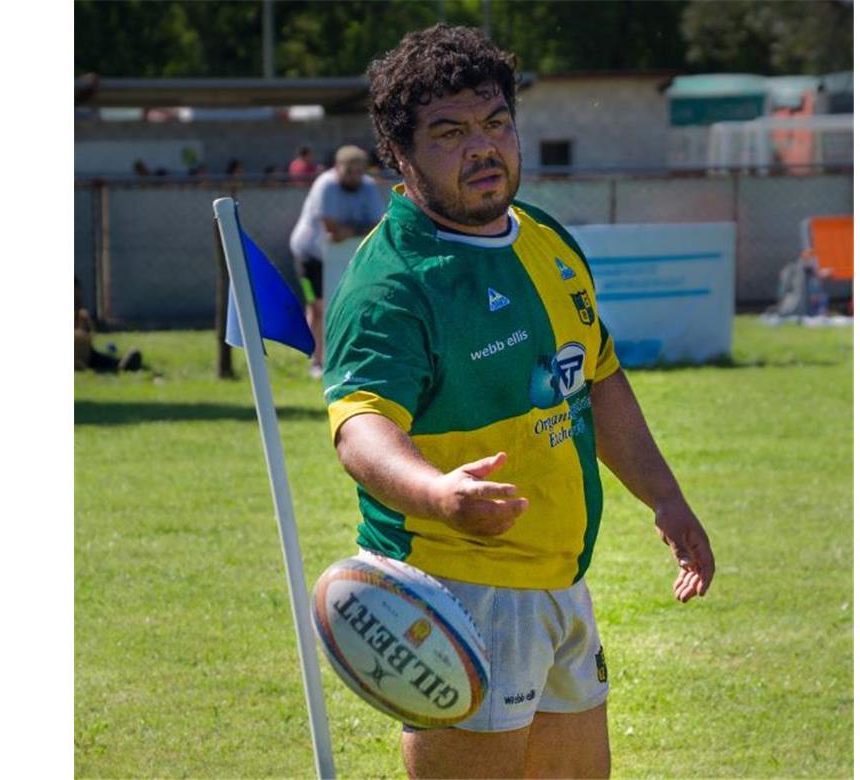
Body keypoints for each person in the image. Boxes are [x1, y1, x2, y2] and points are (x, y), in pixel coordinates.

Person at [321, 24, 715, 779]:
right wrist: (436, 493)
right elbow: (360, 427)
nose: (483, 147)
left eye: (495, 122)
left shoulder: (543, 238)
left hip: (560, 578)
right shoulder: (394, 283)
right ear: (399, 155)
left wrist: (665, 498)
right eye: (450, 133)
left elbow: (596, 378)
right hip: (458, 590)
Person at [289, 144, 386, 377]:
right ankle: (317, 361)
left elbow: (378, 225)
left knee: (353, 307)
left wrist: (350, 231)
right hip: (309, 256)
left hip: (344, 258)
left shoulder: (368, 187)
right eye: (348, 171)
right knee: (318, 307)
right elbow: (332, 229)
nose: (354, 177)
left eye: (358, 171)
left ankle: (349, 358)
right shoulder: (326, 185)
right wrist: (359, 230)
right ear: (337, 167)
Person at [75, 277, 141, 373]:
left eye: (78, 296)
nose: (77, 300)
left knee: (110, 360)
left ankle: (124, 365)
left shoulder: (82, 315)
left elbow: (90, 336)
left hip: (88, 356)